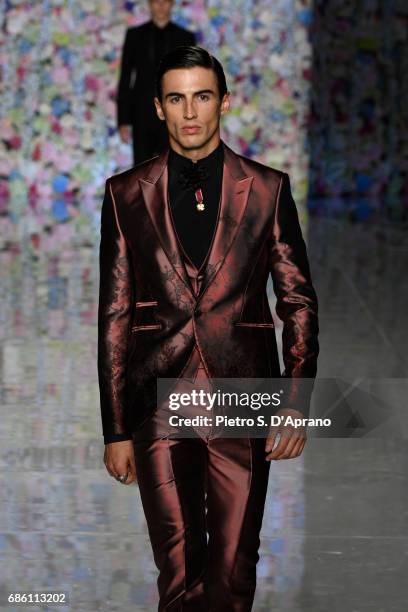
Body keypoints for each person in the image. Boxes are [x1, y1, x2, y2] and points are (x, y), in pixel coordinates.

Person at [98, 46, 319, 611]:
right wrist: (116, 429)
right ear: (158, 107)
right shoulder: (125, 194)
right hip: (156, 401)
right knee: (176, 569)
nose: (189, 111)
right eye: (176, 98)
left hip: (243, 395)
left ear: (223, 102)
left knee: (233, 567)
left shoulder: (267, 189)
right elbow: (116, 314)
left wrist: (295, 402)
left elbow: (296, 298)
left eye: (201, 96)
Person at [116, 0, 196, 165]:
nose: (160, 5)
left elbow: (192, 79)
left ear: (172, 4)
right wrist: (123, 119)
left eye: (165, 1)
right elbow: (125, 77)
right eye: (156, 1)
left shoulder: (185, 37)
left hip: (175, 112)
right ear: (150, 4)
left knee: (175, 166)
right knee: (142, 169)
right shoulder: (134, 36)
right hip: (141, 112)